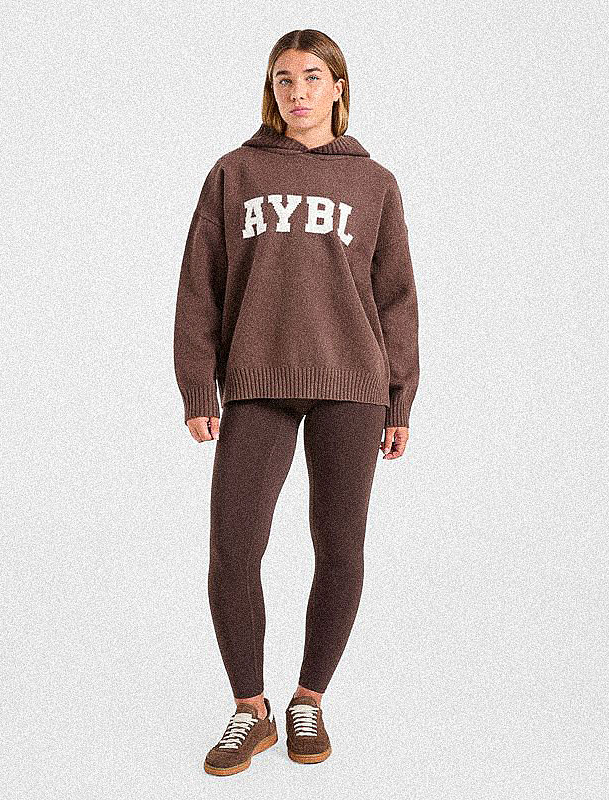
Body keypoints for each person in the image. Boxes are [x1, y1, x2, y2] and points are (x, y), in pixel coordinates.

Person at [173, 28, 420, 776]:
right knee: (233, 547)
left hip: (353, 384)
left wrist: (400, 398)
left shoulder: (374, 183)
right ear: (271, 90)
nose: (298, 91)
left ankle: (308, 698)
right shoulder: (235, 172)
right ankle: (250, 710)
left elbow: (396, 297)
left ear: (338, 87)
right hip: (258, 380)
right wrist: (198, 382)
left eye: (313, 77)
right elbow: (200, 282)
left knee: (340, 548)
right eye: (285, 79)